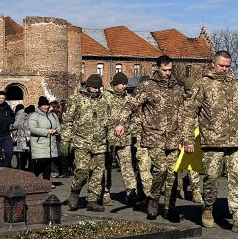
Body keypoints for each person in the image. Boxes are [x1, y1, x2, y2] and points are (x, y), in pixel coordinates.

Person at [181, 51, 238, 233]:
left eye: (227, 66)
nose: (224, 69)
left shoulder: (237, 87)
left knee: (237, 180)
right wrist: (188, 139)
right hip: (212, 143)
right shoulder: (203, 85)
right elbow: (189, 113)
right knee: (211, 179)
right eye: (221, 65)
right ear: (214, 64)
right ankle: (207, 209)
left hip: (235, 143)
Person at [115, 55, 187, 222]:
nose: (168, 73)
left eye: (170, 70)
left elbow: (183, 113)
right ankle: (154, 199)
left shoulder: (177, 88)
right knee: (160, 169)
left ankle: (170, 207)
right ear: (157, 68)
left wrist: (185, 136)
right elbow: (131, 104)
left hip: (174, 138)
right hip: (154, 136)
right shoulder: (147, 86)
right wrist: (121, 123)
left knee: (172, 173)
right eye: (164, 70)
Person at [63, 74, 110, 212]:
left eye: (98, 88)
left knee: (97, 174)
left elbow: (110, 120)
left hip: (100, 143)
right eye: (94, 87)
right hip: (81, 142)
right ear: (88, 86)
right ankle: (75, 191)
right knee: (82, 171)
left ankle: (92, 201)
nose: (96, 90)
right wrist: (65, 140)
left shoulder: (104, 100)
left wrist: (112, 137)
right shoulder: (76, 99)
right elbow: (67, 121)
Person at [103, 72, 139, 206]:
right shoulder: (105, 97)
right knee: (106, 168)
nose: (124, 86)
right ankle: (105, 193)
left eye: (125, 84)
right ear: (115, 83)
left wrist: (133, 133)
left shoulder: (128, 98)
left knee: (127, 166)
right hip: (108, 140)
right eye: (122, 84)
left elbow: (133, 118)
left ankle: (131, 192)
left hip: (125, 138)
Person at [28, 96, 61, 181]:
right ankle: (35, 181)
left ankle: (46, 182)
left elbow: (58, 126)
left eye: (47, 105)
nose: (46, 107)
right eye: (43, 105)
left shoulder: (52, 115)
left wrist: (56, 131)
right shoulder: (34, 116)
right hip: (39, 144)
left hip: (50, 144)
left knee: (48, 164)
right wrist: (47, 131)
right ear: (39, 106)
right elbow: (32, 128)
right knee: (40, 163)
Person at [11, 104, 32, 170]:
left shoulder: (19, 114)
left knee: (22, 153)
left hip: (22, 136)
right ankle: (30, 168)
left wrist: (10, 126)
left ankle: (21, 167)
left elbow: (16, 125)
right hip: (28, 137)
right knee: (29, 153)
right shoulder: (28, 114)